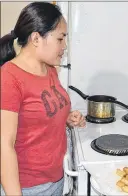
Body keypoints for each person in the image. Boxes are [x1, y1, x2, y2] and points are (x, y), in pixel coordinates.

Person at [0, 2, 86, 195]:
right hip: (29, 188)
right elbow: (4, 145)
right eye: (60, 39)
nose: (64, 46)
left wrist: (67, 117)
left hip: (56, 179)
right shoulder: (9, 78)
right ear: (36, 38)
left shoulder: (50, 70)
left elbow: (40, 113)